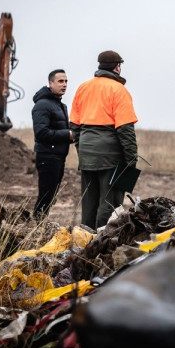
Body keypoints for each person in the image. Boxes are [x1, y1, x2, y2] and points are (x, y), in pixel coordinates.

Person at [69, 50, 139, 230]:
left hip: (86, 152)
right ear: (118, 67)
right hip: (110, 153)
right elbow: (125, 129)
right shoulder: (119, 90)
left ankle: (86, 236)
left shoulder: (83, 87)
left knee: (89, 200)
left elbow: (75, 126)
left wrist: (82, 150)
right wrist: (131, 159)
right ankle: (103, 239)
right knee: (111, 200)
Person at [31, 69, 73, 218]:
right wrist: (67, 135)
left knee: (51, 194)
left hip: (58, 156)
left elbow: (58, 128)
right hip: (48, 156)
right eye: (60, 81)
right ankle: (38, 225)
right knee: (46, 195)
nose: (65, 85)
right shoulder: (43, 105)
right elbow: (41, 132)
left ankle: (41, 224)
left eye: (66, 81)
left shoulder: (60, 105)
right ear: (50, 83)